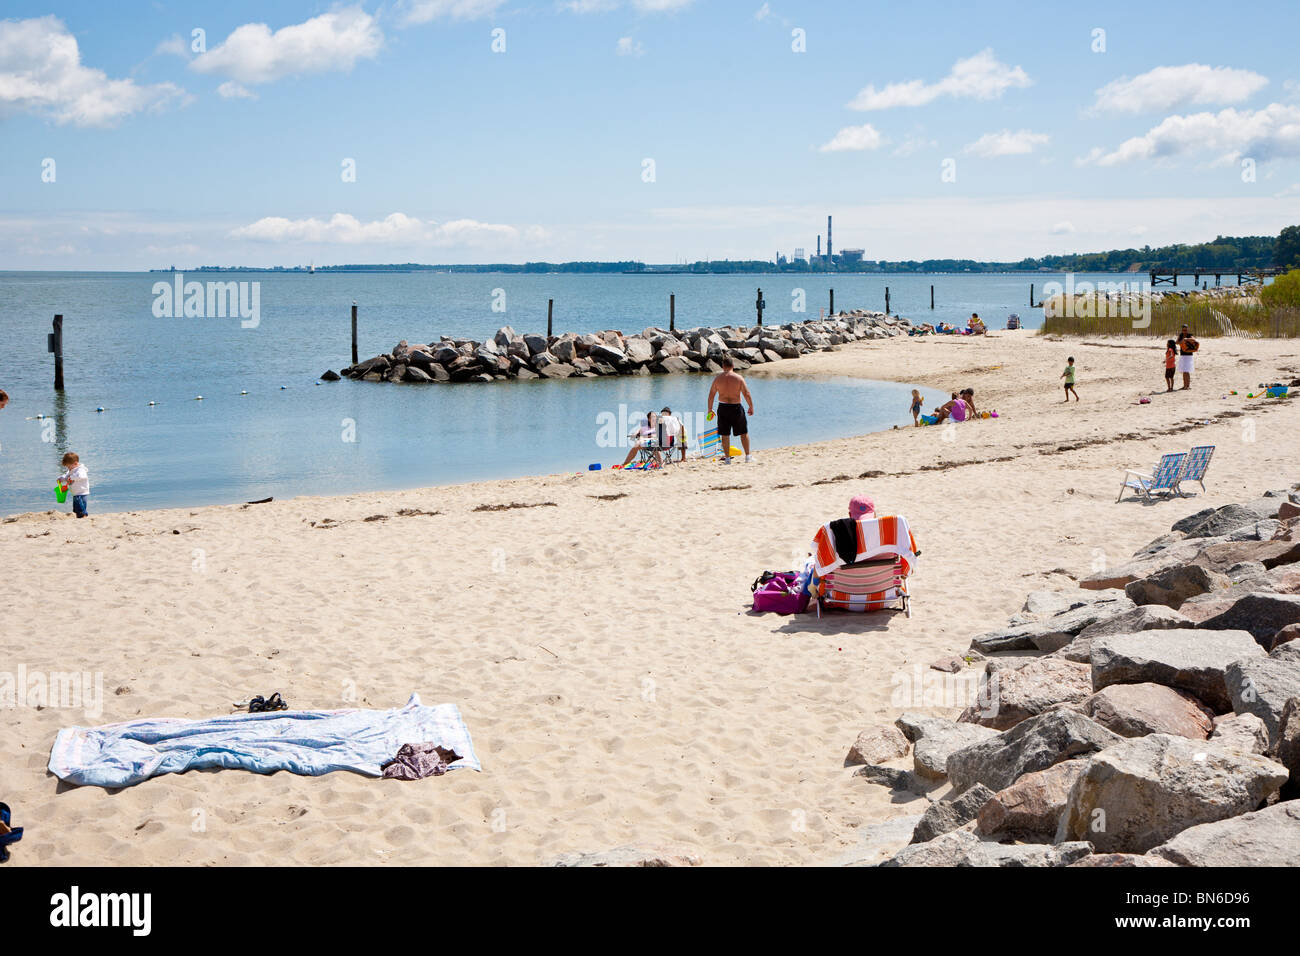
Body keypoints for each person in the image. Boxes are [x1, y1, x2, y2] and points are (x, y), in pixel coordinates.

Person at [707, 357, 755, 463]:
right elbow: (747, 394)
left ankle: (727, 459)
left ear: (723, 366)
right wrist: (751, 406)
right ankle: (748, 457)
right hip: (736, 407)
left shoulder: (717, 379)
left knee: (725, 434)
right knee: (743, 432)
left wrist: (710, 410)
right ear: (733, 366)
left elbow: (711, 395)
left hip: (723, 407)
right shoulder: (738, 378)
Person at [58, 451, 90, 518]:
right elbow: (66, 475)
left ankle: (84, 516)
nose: (68, 468)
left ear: (75, 463)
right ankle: (79, 516)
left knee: (80, 507)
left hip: (81, 492)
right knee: (76, 508)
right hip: (75, 493)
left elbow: (82, 476)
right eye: (67, 467)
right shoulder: (72, 469)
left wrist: (71, 478)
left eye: (69, 467)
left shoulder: (80, 470)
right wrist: (61, 478)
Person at [1176, 325, 1199, 390]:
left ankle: (1187, 386)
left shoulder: (1189, 335)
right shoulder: (1181, 335)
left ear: (1187, 330)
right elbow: (1177, 342)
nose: (1184, 331)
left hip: (1188, 355)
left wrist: (1186, 339)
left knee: (1187, 371)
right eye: (1183, 330)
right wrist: (1182, 341)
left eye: (1185, 330)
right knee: (1184, 371)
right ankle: (1185, 385)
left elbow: (1194, 339)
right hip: (1183, 355)